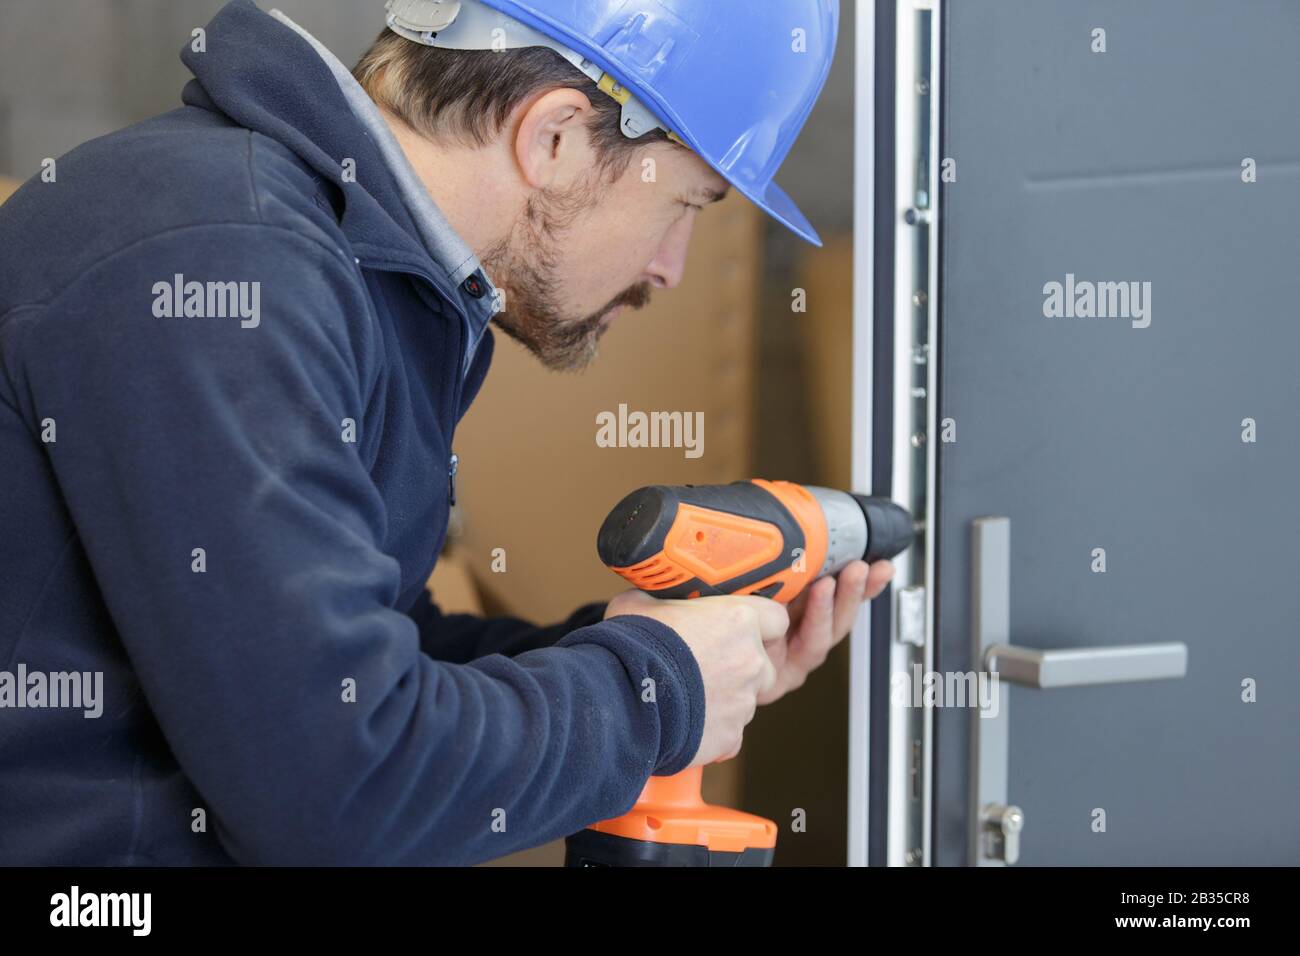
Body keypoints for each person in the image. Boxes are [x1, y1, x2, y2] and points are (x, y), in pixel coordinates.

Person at [0, 0, 892, 865]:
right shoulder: (222, 262)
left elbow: (368, 656)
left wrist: (650, 653)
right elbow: (339, 788)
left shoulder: (353, 267)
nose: (669, 269)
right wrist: (649, 692)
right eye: (686, 205)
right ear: (554, 137)